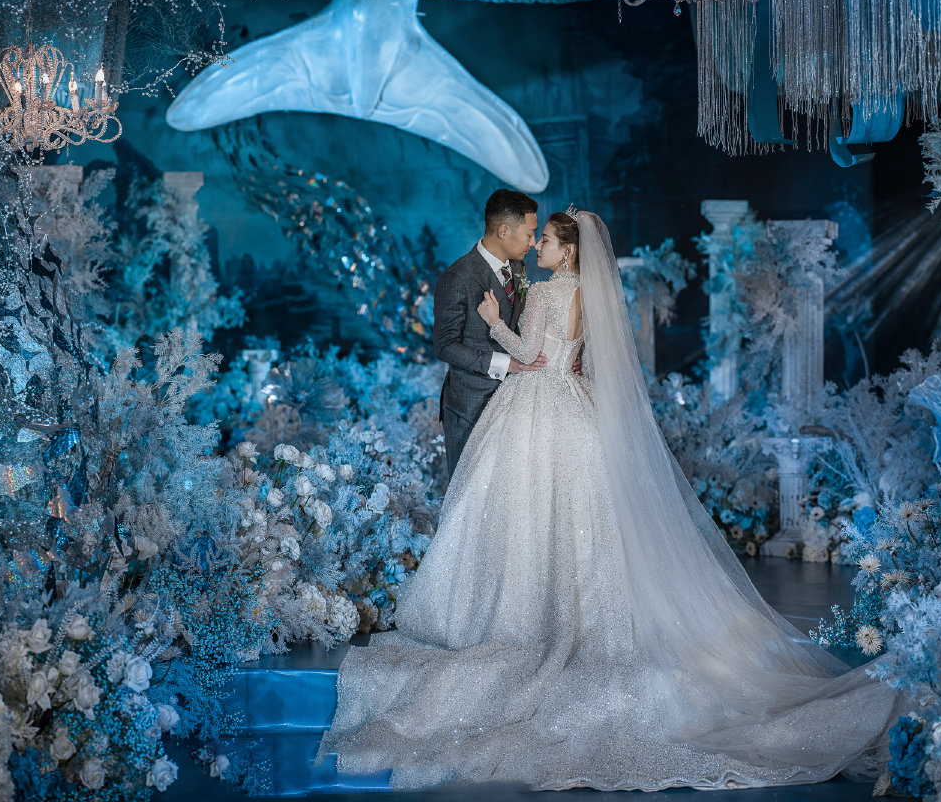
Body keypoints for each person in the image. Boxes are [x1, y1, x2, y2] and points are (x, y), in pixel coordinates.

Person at [318, 208, 905, 791]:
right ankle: (577, 613)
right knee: (584, 517)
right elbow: (576, 356)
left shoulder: (546, 291)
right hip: (577, 407)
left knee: (523, 514)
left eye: (546, 241)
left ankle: (526, 617)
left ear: (567, 251)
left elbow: (530, 353)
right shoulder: (587, 294)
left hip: (535, 405)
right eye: (536, 238)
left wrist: (496, 321)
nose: (538, 247)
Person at [431, 188, 546, 479]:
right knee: (469, 493)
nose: (533, 243)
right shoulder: (457, 277)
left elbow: (521, 326)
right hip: (471, 406)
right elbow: (445, 345)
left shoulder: (517, 267)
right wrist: (506, 364)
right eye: (530, 234)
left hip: (514, 402)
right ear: (504, 231)